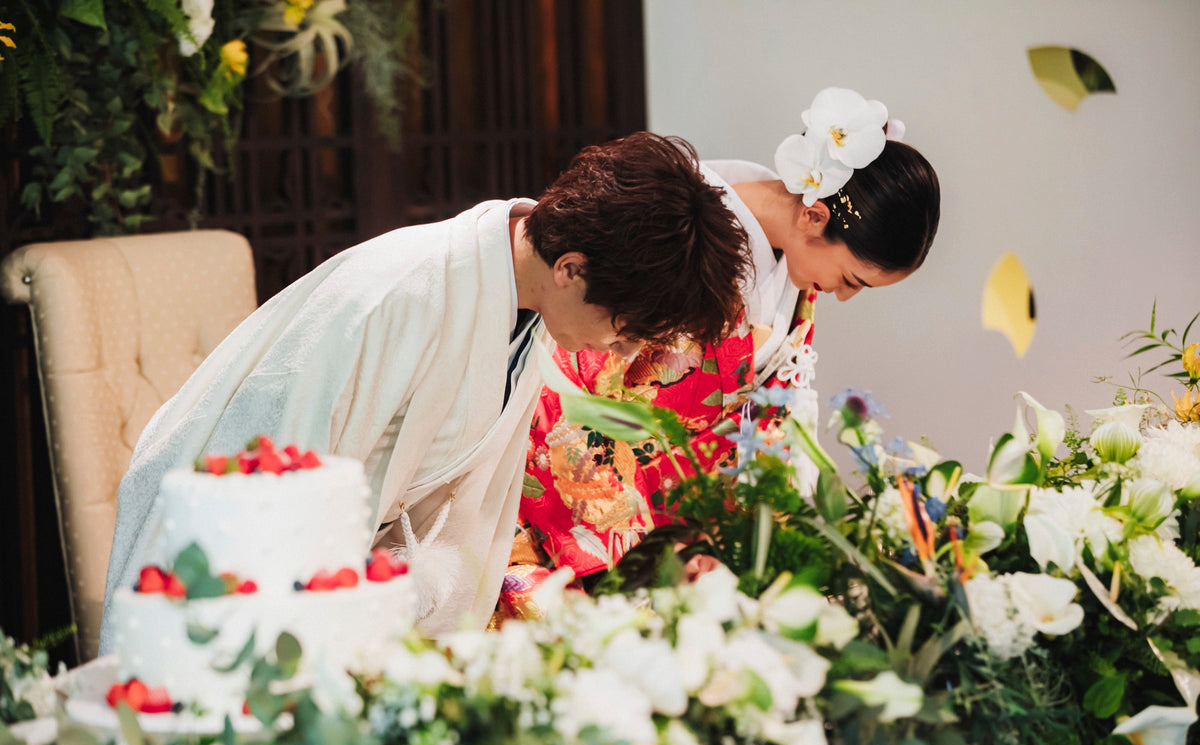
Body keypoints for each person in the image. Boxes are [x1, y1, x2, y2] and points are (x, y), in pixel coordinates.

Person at [99, 132, 751, 654]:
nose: (627, 352)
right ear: (571, 267)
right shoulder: (401, 297)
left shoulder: (523, 301)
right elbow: (273, 474)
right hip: (224, 549)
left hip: (346, 579)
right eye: (627, 328)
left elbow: (457, 509)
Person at [502, 88, 940, 616]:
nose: (841, 295)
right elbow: (571, 393)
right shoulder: (675, 234)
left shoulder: (795, 278)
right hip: (586, 516)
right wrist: (639, 550)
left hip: (687, 529)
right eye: (851, 279)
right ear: (815, 217)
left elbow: (770, 420)